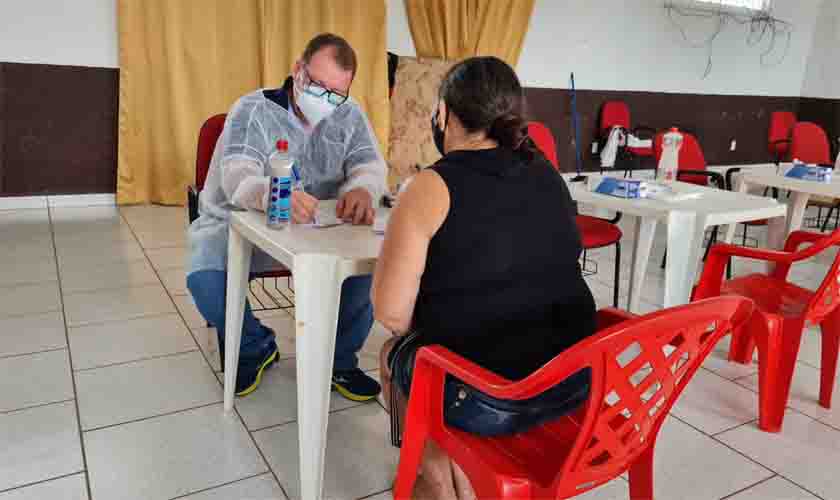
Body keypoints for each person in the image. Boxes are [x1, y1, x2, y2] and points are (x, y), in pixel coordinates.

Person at [373, 56, 597, 499]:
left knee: (394, 353)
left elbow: (392, 314)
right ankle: (450, 466)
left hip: (491, 402)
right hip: (574, 384)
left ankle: (433, 479)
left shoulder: (431, 186)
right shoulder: (549, 174)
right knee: (466, 340)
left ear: (444, 115)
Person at [187, 33, 385, 401]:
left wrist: (362, 188)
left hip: (319, 228)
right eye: (317, 85)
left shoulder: (349, 114)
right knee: (205, 278)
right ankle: (255, 346)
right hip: (247, 224)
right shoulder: (253, 110)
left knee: (370, 263)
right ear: (298, 70)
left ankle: (338, 360)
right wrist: (272, 194)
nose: (324, 100)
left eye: (335, 93)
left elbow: (369, 163)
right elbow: (237, 176)